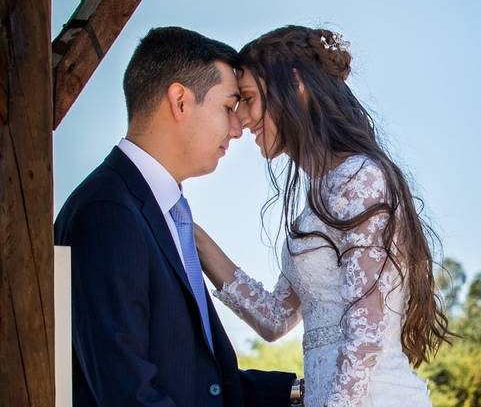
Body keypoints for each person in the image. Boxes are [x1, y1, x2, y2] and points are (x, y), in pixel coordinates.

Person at [194, 25, 449, 407]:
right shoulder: (321, 195)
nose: (242, 119)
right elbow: (275, 317)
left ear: (296, 86)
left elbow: (365, 336)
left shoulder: (360, 178)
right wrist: (191, 234)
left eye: (248, 99)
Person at [54, 27, 298, 407]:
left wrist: (301, 392)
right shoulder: (107, 212)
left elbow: (200, 382)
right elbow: (127, 392)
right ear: (180, 101)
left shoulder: (163, 215)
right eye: (228, 107)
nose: (237, 128)